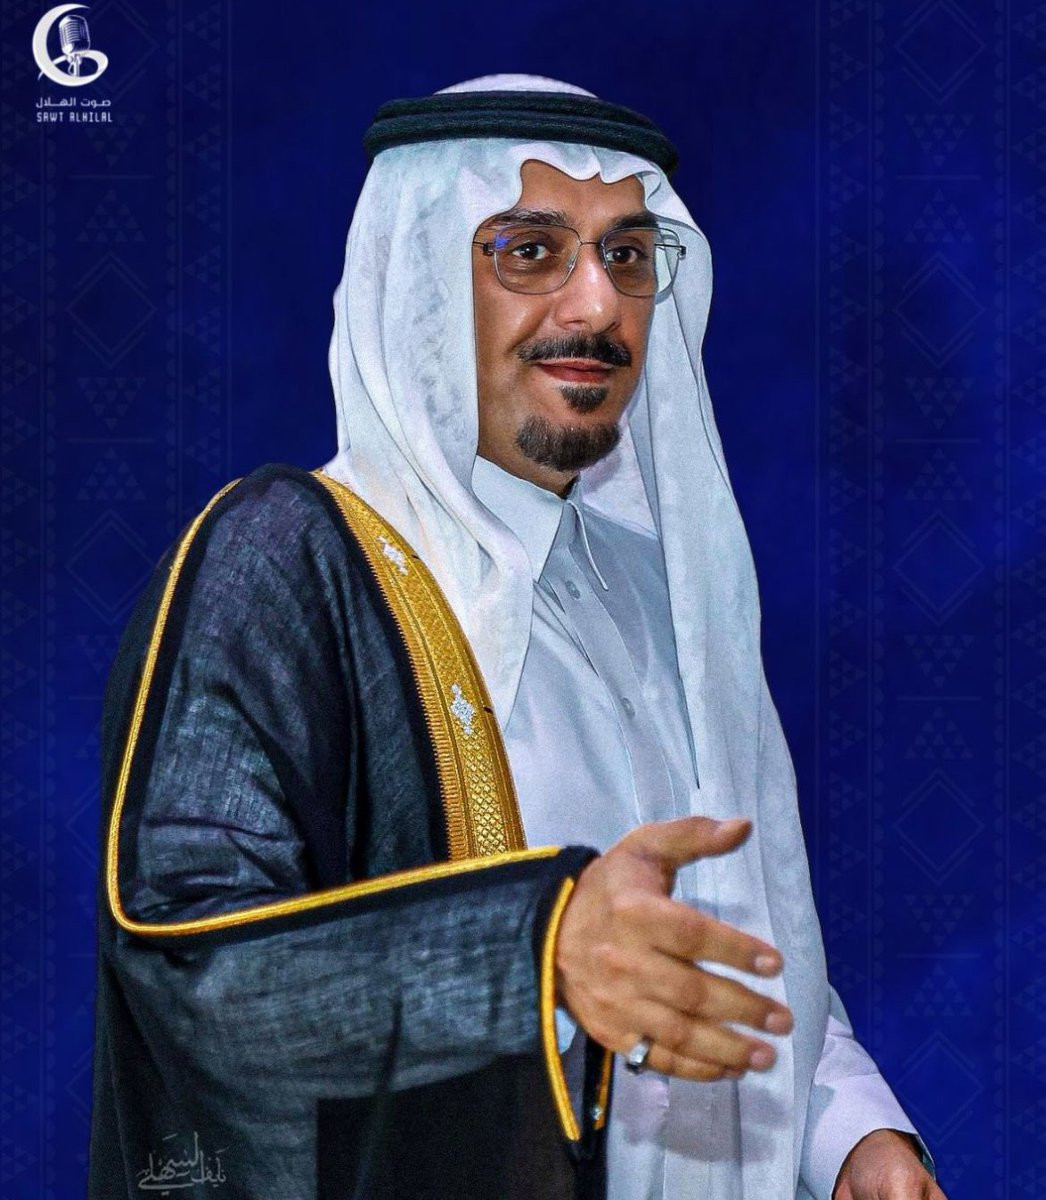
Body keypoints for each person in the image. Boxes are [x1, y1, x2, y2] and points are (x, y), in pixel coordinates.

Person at [87, 74, 945, 1200]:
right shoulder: (288, 560)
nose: (596, 304)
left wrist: (849, 1138)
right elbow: (191, 969)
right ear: (420, 284)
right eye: (530, 252)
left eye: (626, 255)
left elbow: (737, 935)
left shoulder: (655, 589)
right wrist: (531, 957)